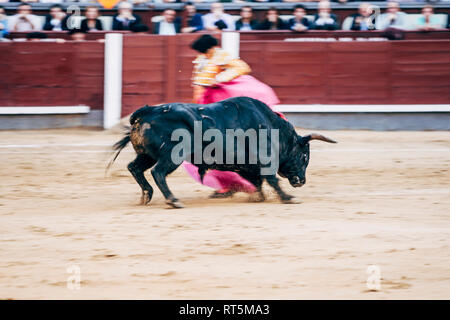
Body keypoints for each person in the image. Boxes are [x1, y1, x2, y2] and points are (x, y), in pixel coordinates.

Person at [185, 35, 286, 198]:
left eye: (204, 51)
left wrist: (219, 79)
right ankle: (229, 184)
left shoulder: (221, 56)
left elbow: (242, 67)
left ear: (210, 48)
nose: (203, 53)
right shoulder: (202, 59)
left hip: (222, 103)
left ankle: (241, 183)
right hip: (208, 104)